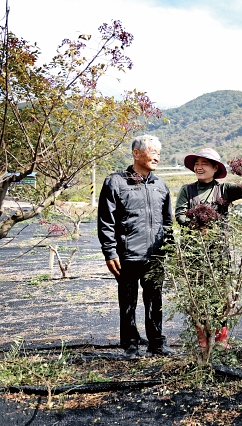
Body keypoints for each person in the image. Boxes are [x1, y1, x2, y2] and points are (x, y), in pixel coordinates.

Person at [174, 148, 242, 347]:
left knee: (220, 294)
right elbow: (180, 215)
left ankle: (221, 338)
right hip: (193, 252)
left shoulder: (224, 190)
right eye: (197, 164)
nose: (199, 167)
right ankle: (202, 338)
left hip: (218, 253)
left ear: (215, 168)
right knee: (197, 293)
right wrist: (197, 225)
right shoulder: (186, 190)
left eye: (204, 164)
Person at [97, 135, 175, 359]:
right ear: (136, 153)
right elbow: (106, 221)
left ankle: (157, 343)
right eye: (152, 151)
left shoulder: (161, 185)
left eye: (159, 153)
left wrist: (168, 248)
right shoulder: (116, 182)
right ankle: (130, 344)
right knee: (128, 300)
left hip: (156, 255)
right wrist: (110, 251)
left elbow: (167, 222)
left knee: (155, 299)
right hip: (127, 254)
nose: (157, 157)